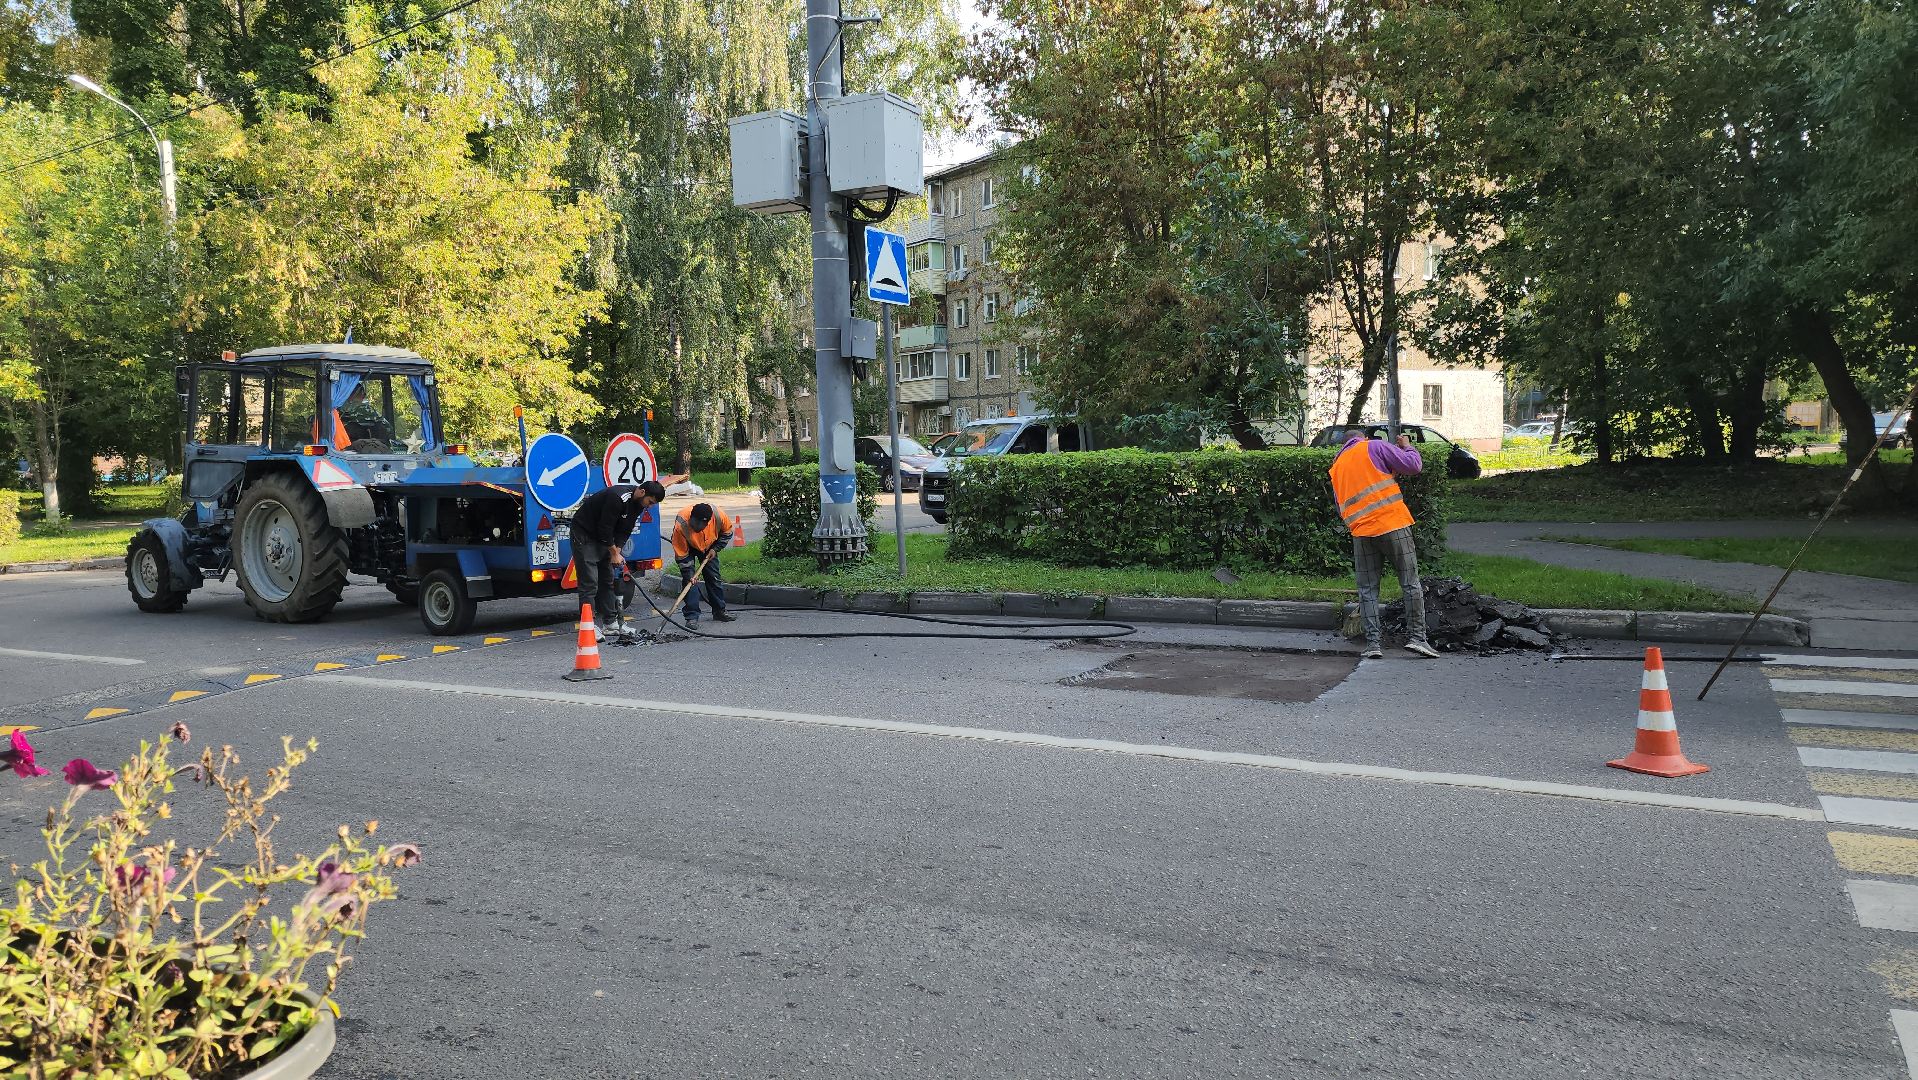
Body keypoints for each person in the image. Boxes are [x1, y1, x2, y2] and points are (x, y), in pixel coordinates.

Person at [1330, 427, 1439, 660]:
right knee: (1410, 583)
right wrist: (1407, 446)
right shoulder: (1374, 447)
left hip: (1362, 532)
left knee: (1368, 590)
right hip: (1393, 525)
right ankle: (1418, 638)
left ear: (1344, 444)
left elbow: (1342, 506)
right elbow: (1413, 466)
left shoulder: (1337, 466)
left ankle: (1372, 645)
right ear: (1363, 439)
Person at [572, 479, 666, 639]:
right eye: (650, 502)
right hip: (584, 534)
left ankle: (610, 623)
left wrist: (618, 551)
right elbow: (605, 528)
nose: (649, 506)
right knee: (589, 583)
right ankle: (588, 627)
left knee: (607, 580)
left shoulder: (638, 505)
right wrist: (613, 553)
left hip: (603, 538)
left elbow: (625, 529)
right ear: (642, 492)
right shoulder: (617, 497)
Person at [671, 502, 735, 624]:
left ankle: (719, 612)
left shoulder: (719, 516)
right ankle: (692, 617)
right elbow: (681, 554)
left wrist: (715, 549)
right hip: (688, 547)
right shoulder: (682, 523)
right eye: (694, 524)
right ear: (691, 517)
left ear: (708, 522)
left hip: (709, 546)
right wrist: (689, 573)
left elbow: (727, 533)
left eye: (701, 525)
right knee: (690, 582)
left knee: (714, 578)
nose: (697, 527)